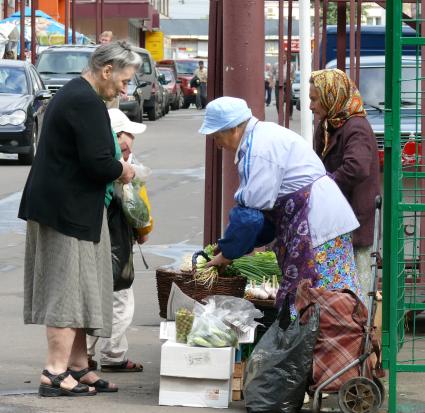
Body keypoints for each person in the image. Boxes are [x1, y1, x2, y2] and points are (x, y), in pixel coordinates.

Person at [18, 41, 141, 397]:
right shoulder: (85, 101)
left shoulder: (79, 94)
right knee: (66, 290)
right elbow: (98, 162)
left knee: (85, 286)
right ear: (107, 71)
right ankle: (54, 373)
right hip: (64, 211)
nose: (125, 88)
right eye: (124, 80)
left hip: (73, 208)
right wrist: (125, 169)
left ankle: (77, 365)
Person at [199, 97, 364, 313]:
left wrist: (228, 253)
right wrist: (234, 246)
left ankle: (324, 344)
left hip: (316, 228)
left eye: (216, 136)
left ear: (233, 129)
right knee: (331, 297)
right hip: (322, 221)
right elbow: (262, 218)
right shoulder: (261, 137)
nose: (217, 144)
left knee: (313, 299)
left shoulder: (258, 149)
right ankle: (337, 342)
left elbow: (249, 216)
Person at [309, 68, 380, 299]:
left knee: (354, 294)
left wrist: (323, 187)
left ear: (331, 96)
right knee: (338, 294)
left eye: (314, 99)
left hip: (354, 223)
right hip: (335, 223)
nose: (310, 106)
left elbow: (357, 167)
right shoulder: (329, 125)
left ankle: (361, 335)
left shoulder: (355, 127)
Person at [87, 108, 147, 373]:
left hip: (95, 241)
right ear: (118, 136)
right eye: (129, 134)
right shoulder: (118, 170)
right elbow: (137, 214)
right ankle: (112, 354)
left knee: (94, 299)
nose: (131, 140)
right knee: (120, 299)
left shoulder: (94, 161)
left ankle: (87, 354)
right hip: (114, 245)